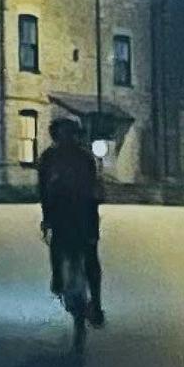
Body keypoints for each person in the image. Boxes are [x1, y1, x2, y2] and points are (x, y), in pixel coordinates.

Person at [37, 117, 105, 327]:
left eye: (70, 133)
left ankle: (95, 302)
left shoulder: (78, 158)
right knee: (67, 247)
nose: (67, 138)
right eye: (64, 133)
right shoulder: (54, 158)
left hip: (79, 212)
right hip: (69, 212)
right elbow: (44, 192)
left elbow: (93, 188)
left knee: (88, 254)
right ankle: (61, 279)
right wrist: (47, 217)